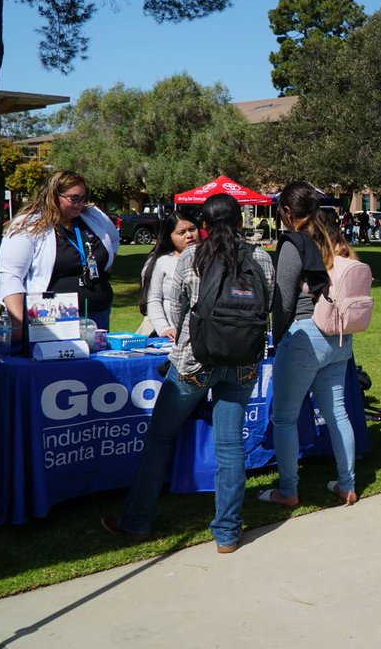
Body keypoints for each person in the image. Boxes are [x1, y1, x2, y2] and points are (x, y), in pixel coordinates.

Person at [103, 193, 275, 552]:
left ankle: (137, 520)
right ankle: (227, 532)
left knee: (160, 437)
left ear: (204, 226)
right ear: (240, 222)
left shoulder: (192, 257)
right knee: (230, 446)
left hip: (194, 360)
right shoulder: (260, 257)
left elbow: (178, 310)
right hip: (243, 360)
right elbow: (269, 302)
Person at [260, 181, 362, 509]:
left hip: (305, 334)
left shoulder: (294, 243)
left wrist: (277, 338)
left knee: (284, 418)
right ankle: (347, 486)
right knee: (337, 413)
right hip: (339, 336)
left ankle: (288, 491)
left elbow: (283, 300)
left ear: (288, 212)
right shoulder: (335, 238)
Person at [0, 170, 120, 342]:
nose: (80, 204)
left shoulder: (93, 216)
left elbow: (113, 239)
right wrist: (17, 324)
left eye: (83, 198)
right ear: (53, 195)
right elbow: (10, 275)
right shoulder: (28, 225)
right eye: (74, 199)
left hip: (96, 316)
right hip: (50, 320)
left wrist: (105, 270)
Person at [137, 210, 201, 338]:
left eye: (192, 229)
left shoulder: (211, 258)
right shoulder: (162, 261)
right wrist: (164, 329)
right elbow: (153, 299)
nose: (189, 235)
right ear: (169, 236)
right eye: (181, 232)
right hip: (170, 334)